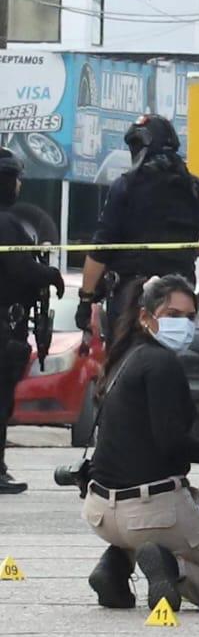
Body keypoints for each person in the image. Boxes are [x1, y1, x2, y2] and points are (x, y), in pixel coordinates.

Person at [82, 274, 199, 611]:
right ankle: (170, 567)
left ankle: (116, 564)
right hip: (148, 514)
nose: (182, 324)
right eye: (172, 315)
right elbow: (171, 443)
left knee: (159, 524)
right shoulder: (162, 364)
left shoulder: (124, 358)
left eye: (189, 316)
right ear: (145, 317)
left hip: (100, 513)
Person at [75, 114, 199, 335]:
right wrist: (189, 252)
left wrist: (85, 299)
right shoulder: (196, 188)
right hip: (180, 297)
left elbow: (101, 248)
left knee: (127, 361)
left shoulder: (127, 186)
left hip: (133, 298)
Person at [0, 149, 66, 494]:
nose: (18, 186)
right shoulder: (6, 223)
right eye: (14, 179)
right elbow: (21, 269)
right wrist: (51, 274)